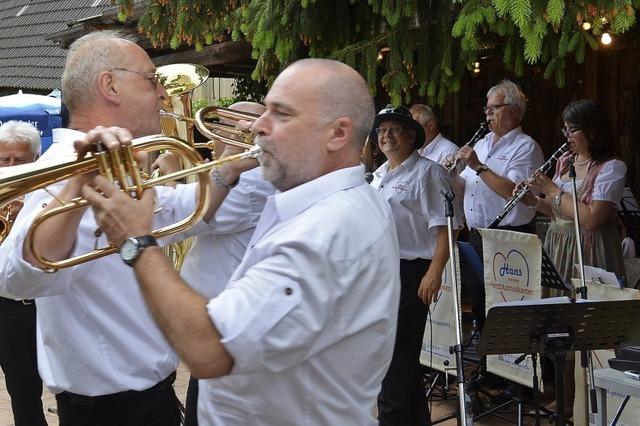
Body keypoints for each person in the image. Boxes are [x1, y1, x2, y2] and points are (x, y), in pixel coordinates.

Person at [79, 58, 401, 425]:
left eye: (280, 113)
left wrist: (136, 241)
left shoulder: (323, 231)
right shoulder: (326, 204)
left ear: (337, 134)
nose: (256, 125)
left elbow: (206, 349)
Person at [0, 30, 233, 425]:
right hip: (108, 412)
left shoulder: (123, 164)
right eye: (151, 80)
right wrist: (78, 182)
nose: (162, 94)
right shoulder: (55, 172)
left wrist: (232, 165)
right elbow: (18, 279)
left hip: (150, 400)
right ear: (110, 85)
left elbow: (180, 212)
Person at [153, 101, 275, 426]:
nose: (213, 135)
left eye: (225, 127)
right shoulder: (241, 174)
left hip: (227, 325)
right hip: (217, 322)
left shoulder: (253, 179)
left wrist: (167, 174)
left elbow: (190, 219)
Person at [370, 105, 461, 425]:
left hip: (411, 272)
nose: (386, 135)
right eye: (381, 130)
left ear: (411, 136)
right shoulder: (379, 175)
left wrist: (434, 272)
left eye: (394, 129)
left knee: (393, 361)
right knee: (400, 360)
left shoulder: (429, 172)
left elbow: (448, 228)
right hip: (381, 273)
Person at [450, 80, 544, 331]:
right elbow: (467, 189)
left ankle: (505, 369)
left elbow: (513, 193)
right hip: (477, 237)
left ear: (515, 111)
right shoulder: (481, 143)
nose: (488, 113)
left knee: (507, 309)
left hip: (509, 238)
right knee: (480, 304)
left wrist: (478, 166)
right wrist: (450, 175)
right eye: (487, 109)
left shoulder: (525, 146)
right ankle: (484, 367)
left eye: (495, 108)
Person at [521, 99, 627, 291]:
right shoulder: (565, 161)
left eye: (572, 130)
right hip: (558, 246)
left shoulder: (612, 168)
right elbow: (557, 211)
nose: (567, 136)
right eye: (565, 130)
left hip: (590, 251)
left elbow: (591, 220)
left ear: (592, 130)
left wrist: (552, 189)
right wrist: (532, 200)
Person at [0, 120, 47, 426]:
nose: (12, 166)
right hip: (3, 303)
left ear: (35, 161)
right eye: (5, 160)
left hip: (27, 307)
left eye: (21, 160)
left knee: (31, 392)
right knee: (23, 393)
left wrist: (22, 221)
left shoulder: (44, 192)